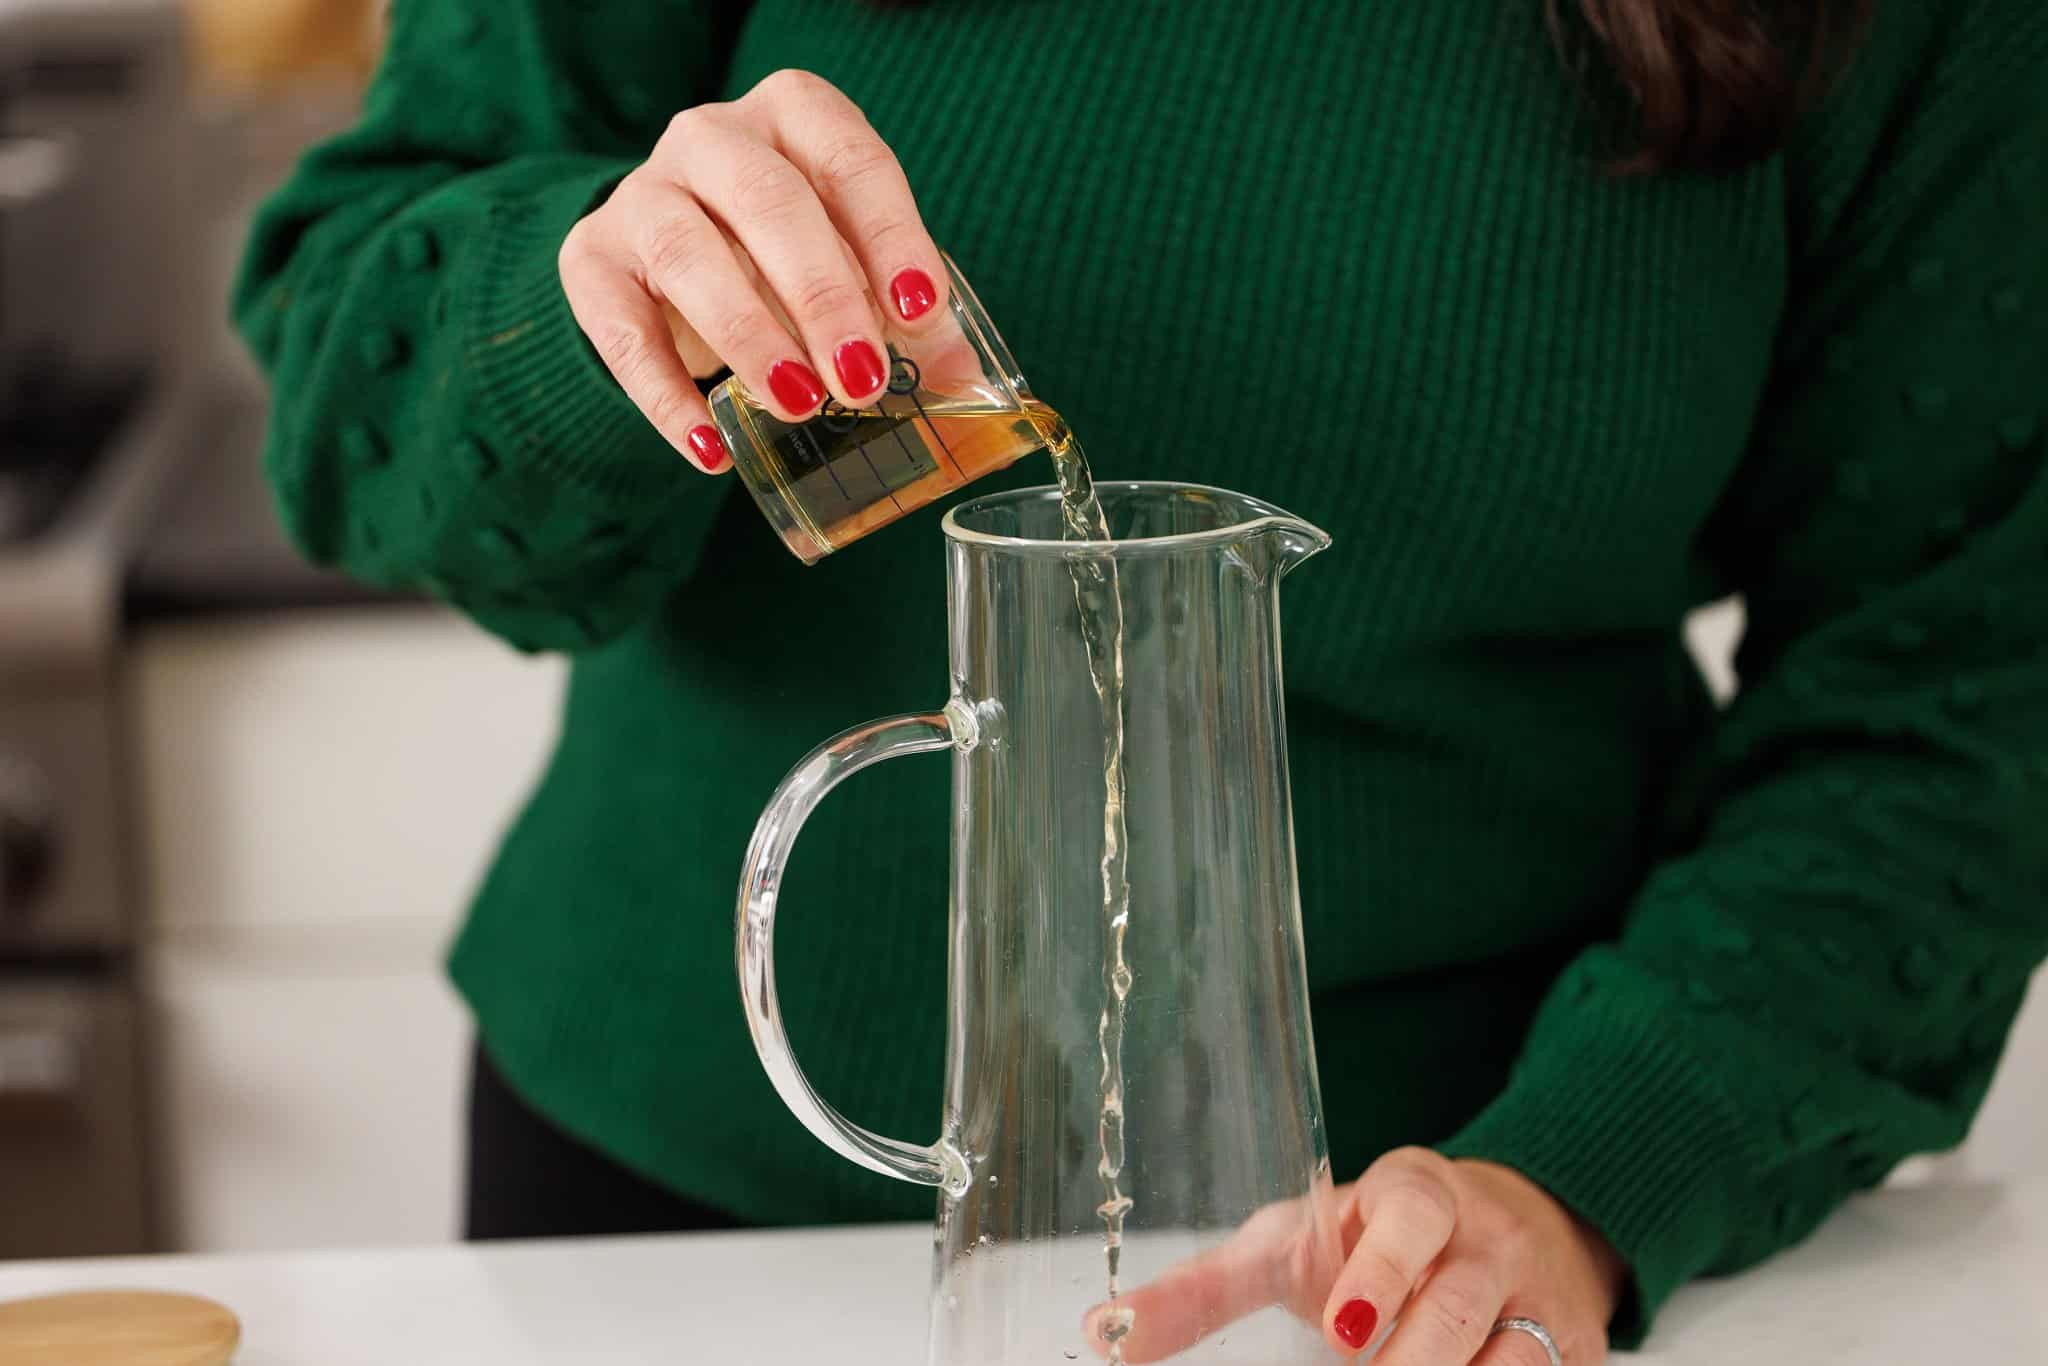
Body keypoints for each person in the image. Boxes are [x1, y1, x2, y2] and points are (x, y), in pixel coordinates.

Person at [234, 1, 2047, 1361]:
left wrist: (1586, 1177)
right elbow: (342, 384)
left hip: (1428, 1278)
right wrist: (591, 314)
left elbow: (1951, 712)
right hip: (659, 1245)